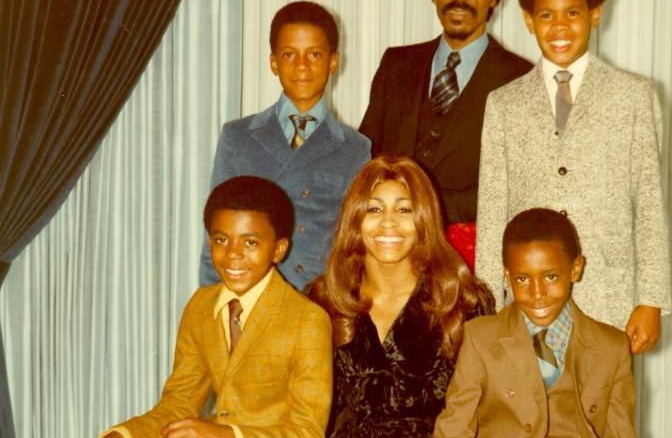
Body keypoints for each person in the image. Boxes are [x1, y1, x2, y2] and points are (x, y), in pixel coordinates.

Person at [475, 0, 670, 352]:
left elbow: (649, 202)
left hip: (609, 299)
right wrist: (490, 304)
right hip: (528, 301)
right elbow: (493, 208)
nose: (560, 27)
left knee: (604, 409)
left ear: (595, 14)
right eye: (546, 16)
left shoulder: (633, 96)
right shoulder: (504, 103)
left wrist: (650, 300)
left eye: (573, 14)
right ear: (528, 21)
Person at [103, 176, 332, 438]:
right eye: (221, 240)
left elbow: (307, 431)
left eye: (250, 242)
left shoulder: (308, 320)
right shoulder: (201, 305)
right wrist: (125, 434)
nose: (233, 254)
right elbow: (179, 404)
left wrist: (227, 434)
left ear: (279, 249)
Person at [309, 155, 494, 438]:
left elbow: (486, 412)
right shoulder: (326, 299)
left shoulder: (465, 302)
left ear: (424, 220)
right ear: (356, 220)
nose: (388, 223)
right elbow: (310, 411)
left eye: (404, 210)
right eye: (374, 209)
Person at [358, 0, 531, 226]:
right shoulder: (395, 64)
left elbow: (513, 188)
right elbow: (366, 159)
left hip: (469, 257)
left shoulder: (521, 79)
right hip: (391, 249)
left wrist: (420, 208)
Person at [200, 1, 371, 290]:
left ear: (333, 62)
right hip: (252, 299)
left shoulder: (355, 148)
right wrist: (211, 306)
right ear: (273, 63)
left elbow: (355, 247)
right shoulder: (238, 137)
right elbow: (215, 234)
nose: (301, 66)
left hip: (320, 303)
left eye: (314, 55)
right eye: (289, 54)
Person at [435, 208, 637, 438]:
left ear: (575, 269)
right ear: (507, 276)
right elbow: (454, 426)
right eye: (522, 279)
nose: (537, 293)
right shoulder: (480, 338)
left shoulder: (612, 347)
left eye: (551, 277)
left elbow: (622, 432)